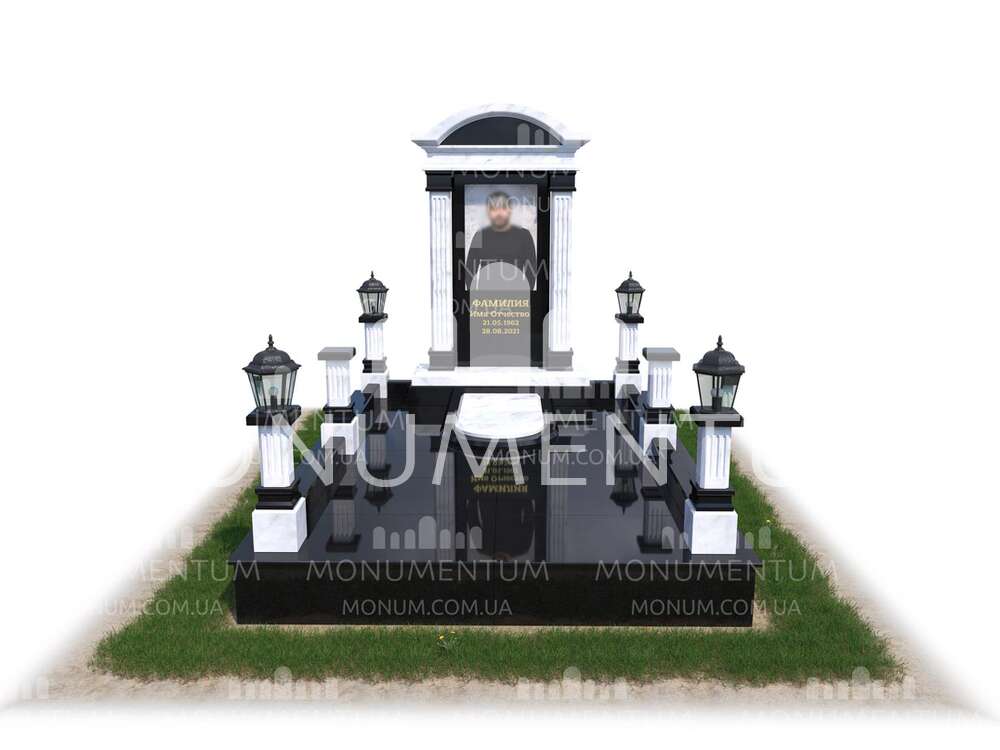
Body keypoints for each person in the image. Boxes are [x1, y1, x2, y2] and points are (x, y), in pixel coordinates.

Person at [464, 191, 537, 289]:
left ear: (509, 210)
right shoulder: (480, 235)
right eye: (494, 209)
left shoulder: (524, 235)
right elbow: (470, 268)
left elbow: (531, 269)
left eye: (503, 208)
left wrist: (527, 293)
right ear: (488, 212)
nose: (499, 213)